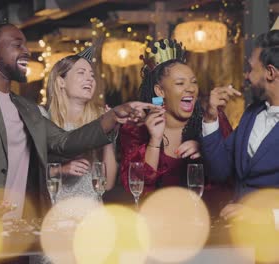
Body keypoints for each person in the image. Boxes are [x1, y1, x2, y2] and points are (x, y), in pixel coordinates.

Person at [0, 0, 155, 220]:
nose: (26, 51)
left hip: (23, 227)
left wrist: (113, 116)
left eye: (25, 44)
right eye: (17, 45)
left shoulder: (26, 108)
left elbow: (65, 142)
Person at [119, 39, 232, 194]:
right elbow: (137, 187)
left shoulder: (212, 119)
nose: (191, 89)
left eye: (194, 82)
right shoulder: (135, 128)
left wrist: (206, 149)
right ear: (160, 91)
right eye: (180, 83)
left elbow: (232, 174)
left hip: (206, 214)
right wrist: (154, 140)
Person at [202, 29, 279, 224]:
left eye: (250, 69)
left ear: (270, 72)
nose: (246, 76)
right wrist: (211, 116)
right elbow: (220, 171)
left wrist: (264, 217)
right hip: (239, 242)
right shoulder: (252, 113)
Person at [44, 51, 117, 203]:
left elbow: (108, 184)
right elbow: (28, 175)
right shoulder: (44, 118)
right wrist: (60, 170)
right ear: (61, 81)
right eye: (81, 73)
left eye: (92, 75)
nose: (89, 79)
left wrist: (108, 135)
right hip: (54, 213)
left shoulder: (100, 120)